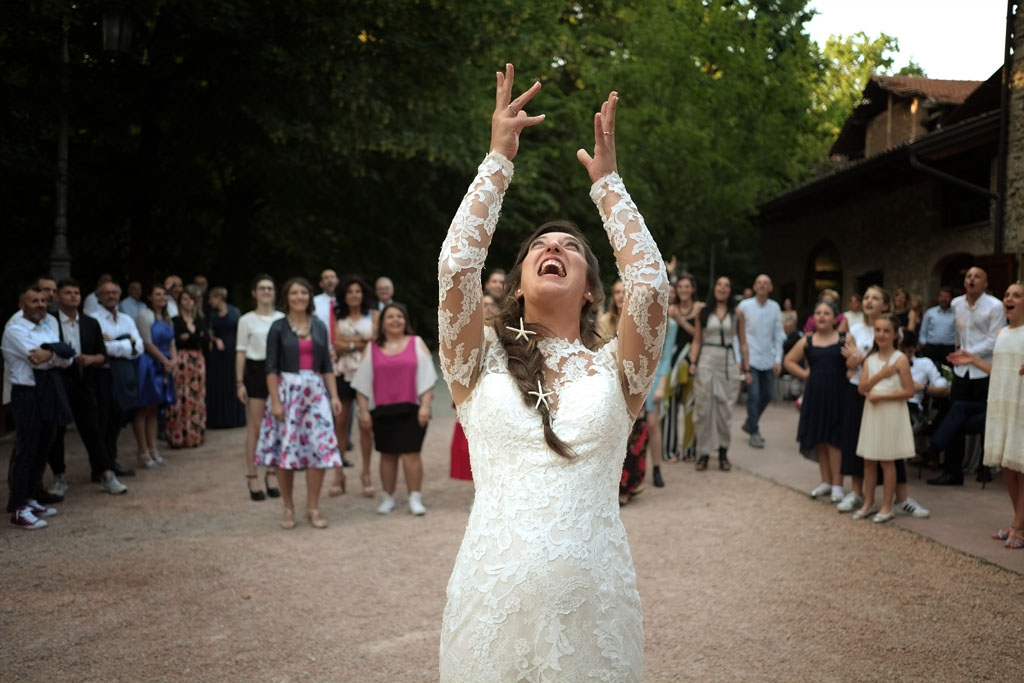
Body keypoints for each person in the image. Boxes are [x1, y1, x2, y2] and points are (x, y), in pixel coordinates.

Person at [438, 69, 667, 681]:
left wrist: (609, 187)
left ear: (591, 290)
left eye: (570, 247)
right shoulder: (475, 358)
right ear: (517, 283)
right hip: (490, 609)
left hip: (595, 615)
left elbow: (650, 286)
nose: (554, 248)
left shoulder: (618, 369)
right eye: (541, 245)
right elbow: (456, 267)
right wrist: (497, 161)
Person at [255, 277, 342, 529]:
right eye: (294, 293)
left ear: (309, 297)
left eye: (303, 292)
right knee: (286, 451)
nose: (299, 297)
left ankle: (313, 507)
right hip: (287, 392)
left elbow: (327, 365)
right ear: (286, 298)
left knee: (319, 449)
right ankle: (288, 507)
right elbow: (270, 367)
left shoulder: (319, 326)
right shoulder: (278, 327)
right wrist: (275, 402)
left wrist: (334, 396)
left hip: (315, 393)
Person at [352, 303, 436, 515]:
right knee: (387, 454)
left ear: (405, 320)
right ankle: (388, 497)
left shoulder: (416, 343)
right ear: (382, 322)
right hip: (381, 411)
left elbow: (428, 378)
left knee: (411, 454)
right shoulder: (372, 347)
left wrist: (425, 406)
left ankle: (415, 497)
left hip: (412, 409)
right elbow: (361, 383)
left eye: (399, 316)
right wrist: (363, 411)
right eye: (390, 317)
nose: (395, 320)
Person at [47, 279, 128, 497]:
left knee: (93, 430)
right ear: (58, 297)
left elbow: (103, 355)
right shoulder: (50, 322)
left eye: (76, 292)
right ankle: (59, 476)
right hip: (58, 385)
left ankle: (106, 473)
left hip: (84, 383)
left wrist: (91, 359)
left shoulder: (90, 323)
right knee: (57, 433)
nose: (73, 296)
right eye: (68, 292)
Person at [3, 284, 73, 528]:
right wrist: (55, 354)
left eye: (43, 301)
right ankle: (18, 508)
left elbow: (68, 358)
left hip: (48, 390)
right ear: (22, 305)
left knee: (44, 446)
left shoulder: (46, 326)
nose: (41, 305)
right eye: (34, 301)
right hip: (27, 393)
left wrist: (50, 353)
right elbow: (36, 360)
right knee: (27, 449)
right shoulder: (15, 329)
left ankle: (30, 497)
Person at [928, 266, 1006, 486]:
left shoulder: (995, 306)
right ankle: (952, 472)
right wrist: (960, 354)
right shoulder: (956, 304)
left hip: (984, 370)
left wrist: (969, 355)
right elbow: (959, 335)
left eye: (977, 276)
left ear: (985, 283)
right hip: (962, 371)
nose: (972, 279)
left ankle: (985, 467)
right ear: (964, 283)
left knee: (985, 420)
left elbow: (994, 340)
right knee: (956, 418)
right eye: (969, 276)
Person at [852, 314, 915, 522]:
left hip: (891, 413)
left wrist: (883, 396)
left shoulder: (900, 359)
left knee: (887, 460)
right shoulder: (870, 360)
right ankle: (869, 502)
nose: (881, 334)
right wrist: (881, 375)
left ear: (895, 335)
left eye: (886, 331)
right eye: (878, 330)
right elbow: (862, 388)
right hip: (873, 413)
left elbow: (909, 391)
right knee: (869, 460)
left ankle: (888, 505)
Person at [784, 300, 846, 501]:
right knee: (820, 438)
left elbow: (853, 362)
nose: (821, 316)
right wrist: (804, 374)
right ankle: (826, 481)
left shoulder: (844, 338)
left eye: (826, 313)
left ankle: (838, 484)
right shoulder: (808, 340)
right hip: (815, 393)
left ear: (835, 318)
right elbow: (788, 361)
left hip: (837, 394)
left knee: (834, 439)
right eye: (818, 313)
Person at [978, 282, 1024, 548]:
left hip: (1020, 404)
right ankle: (1019, 521)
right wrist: (973, 360)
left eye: (1017, 295)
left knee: (1021, 464)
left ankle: (1018, 526)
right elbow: (997, 369)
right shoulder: (1001, 333)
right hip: (1001, 403)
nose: (1009, 298)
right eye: (1007, 295)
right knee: (1007, 465)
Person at [235, 275, 284, 501]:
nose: (266, 291)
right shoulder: (246, 320)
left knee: (276, 425)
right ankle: (251, 474)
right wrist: (239, 382)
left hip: (278, 371)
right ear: (254, 293)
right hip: (255, 371)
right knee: (255, 425)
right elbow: (241, 352)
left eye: (270, 288)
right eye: (262, 288)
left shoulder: (282, 319)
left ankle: (271, 473)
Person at [329, 274, 379, 496]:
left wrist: (348, 343)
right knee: (340, 423)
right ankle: (338, 474)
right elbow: (336, 345)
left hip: (367, 374)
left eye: (358, 291)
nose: (354, 295)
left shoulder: (373, 315)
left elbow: (375, 343)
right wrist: (360, 343)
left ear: (363, 293)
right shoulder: (337, 316)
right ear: (344, 295)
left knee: (365, 425)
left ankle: (366, 473)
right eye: (350, 291)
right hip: (343, 373)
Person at [692, 276, 745, 471]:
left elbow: (743, 343)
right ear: (714, 288)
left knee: (725, 409)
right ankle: (703, 453)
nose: (722, 288)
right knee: (703, 408)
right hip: (707, 358)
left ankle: (723, 451)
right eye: (719, 284)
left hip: (727, 360)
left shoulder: (737, 313)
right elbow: (697, 340)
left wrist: (746, 368)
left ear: (730, 290)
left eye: (726, 285)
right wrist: (693, 362)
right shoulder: (703, 311)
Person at [94, 279, 141, 480]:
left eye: (114, 292)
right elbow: (103, 348)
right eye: (107, 293)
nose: (111, 296)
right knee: (103, 420)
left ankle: (111, 462)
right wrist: (126, 344)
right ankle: (101, 467)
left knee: (118, 419)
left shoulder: (127, 319)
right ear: (99, 297)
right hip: (104, 376)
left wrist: (116, 343)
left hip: (123, 374)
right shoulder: (94, 320)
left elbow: (139, 347)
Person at [132, 283, 176, 468]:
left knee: (154, 409)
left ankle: (153, 449)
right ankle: (143, 451)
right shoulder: (145, 315)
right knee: (144, 407)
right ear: (150, 297)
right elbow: (147, 343)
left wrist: (174, 360)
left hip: (164, 365)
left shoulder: (167, 317)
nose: (162, 298)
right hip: (150, 364)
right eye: (158, 294)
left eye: (164, 294)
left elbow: (172, 342)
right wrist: (164, 361)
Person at [737, 274, 783, 449]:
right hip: (751, 358)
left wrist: (778, 359)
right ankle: (754, 432)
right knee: (754, 395)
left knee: (767, 395)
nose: (762, 285)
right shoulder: (744, 306)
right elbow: (738, 335)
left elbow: (778, 335)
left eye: (766, 283)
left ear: (771, 288)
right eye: (759, 283)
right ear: (754, 286)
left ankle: (750, 422)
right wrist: (739, 359)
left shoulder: (775, 307)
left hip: (768, 358)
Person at [664, 275, 702, 461]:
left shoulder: (700, 308)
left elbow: (699, 336)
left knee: (691, 406)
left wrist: (681, 320)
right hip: (673, 362)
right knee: (670, 407)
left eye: (687, 287)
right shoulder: (671, 309)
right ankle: (670, 449)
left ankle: (689, 451)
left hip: (691, 361)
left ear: (693, 289)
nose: (683, 290)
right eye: (680, 287)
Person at [166, 284, 208, 448]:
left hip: (197, 360)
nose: (188, 302)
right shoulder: (175, 321)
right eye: (184, 299)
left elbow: (204, 340)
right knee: (181, 396)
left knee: (197, 396)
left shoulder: (199, 320)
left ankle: (195, 435)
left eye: (191, 299)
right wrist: (196, 337)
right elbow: (178, 340)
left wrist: (190, 337)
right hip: (182, 361)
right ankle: (179, 435)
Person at [206, 286, 246, 429]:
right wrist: (215, 339)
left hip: (232, 352)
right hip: (218, 355)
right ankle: (218, 419)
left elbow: (241, 330)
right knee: (218, 384)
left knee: (231, 382)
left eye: (212, 298)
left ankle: (234, 418)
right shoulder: (212, 315)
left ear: (219, 298)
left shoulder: (234, 312)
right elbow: (208, 331)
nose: (210, 301)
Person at [919, 286, 956, 369]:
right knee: (929, 370)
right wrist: (923, 343)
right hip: (931, 348)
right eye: (941, 296)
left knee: (948, 372)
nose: (943, 299)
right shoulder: (930, 312)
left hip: (948, 349)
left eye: (946, 297)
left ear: (951, 298)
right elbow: (923, 329)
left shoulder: (955, 314)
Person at [312, 268, 338, 337]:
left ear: (337, 281)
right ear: (321, 284)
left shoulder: (345, 301)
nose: (330, 280)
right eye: (326, 278)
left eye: (332, 277)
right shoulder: (313, 302)